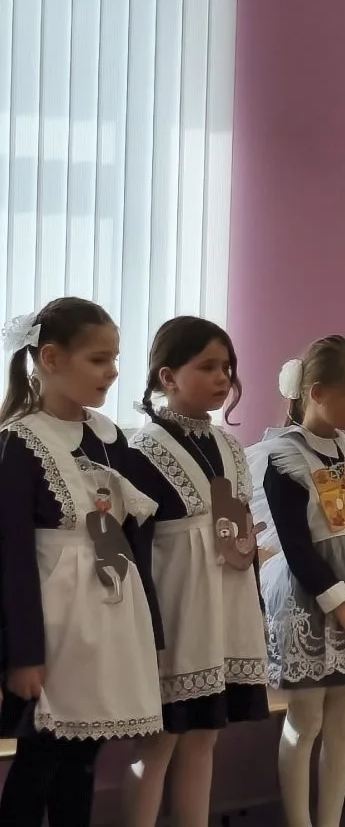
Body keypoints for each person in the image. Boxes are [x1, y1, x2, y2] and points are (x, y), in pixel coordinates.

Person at [0, 298, 164, 826]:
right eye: (98, 359)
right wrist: (24, 654)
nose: (112, 371)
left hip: (109, 617)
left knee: (84, 757)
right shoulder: (20, 442)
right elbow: (12, 558)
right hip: (56, 626)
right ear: (51, 358)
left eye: (115, 358)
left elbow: (135, 534)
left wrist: (151, 633)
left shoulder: (110, 436)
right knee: (40, 757)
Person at [247, 336, 345, 827]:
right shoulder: (284, 457)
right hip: (311, 599)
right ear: (317, 392)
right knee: (307, 719)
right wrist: (342, 607)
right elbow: (296, 546)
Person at [122, 316, 271, 827]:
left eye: (227, 367)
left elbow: (241, 529)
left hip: (225, 612)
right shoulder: (141, 450)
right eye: (207, 366)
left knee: (204, 737)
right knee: (158, 743)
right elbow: (135, 549)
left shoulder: (231, 447)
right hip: (176, 616)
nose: (222, 377)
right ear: (168, 377)